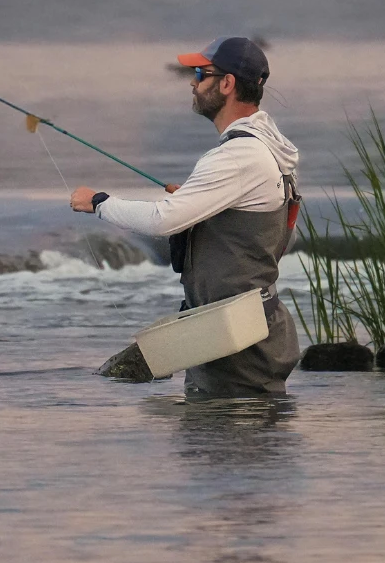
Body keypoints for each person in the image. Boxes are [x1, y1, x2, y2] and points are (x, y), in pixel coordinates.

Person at [71, 36, 301, 398]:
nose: (193, 83)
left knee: (226, 448)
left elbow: (163, 221)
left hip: (237, 346)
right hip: (238, 332)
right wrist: (205, 208)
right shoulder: (267, 148)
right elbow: (263, 230)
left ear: (226, 84)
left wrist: (99, 202)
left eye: (201, 73)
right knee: (243, 448)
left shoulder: (238, 156)